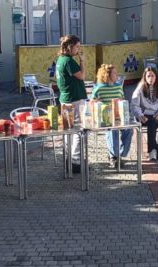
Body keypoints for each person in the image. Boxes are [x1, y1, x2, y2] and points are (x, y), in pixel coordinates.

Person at [55, 35, 87, 173]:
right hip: (74, 99)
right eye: (77, 46)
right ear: (69, 46)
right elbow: (82, 76)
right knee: (78, 130)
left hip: (65, 98)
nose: (78, 49)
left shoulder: (61, 60)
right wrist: (82, 61)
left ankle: (69, 160)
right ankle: (75, 162)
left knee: (68, 130)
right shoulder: (69, 61)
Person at [91, 64, 133, 168]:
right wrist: (97, 103)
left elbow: (122, 100)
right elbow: (92, 103)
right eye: (114, 73)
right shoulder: (99, 88)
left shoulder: (118, 87)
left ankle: (121, 154)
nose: (117, 75)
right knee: (112, 130)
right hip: (105, 118)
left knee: (129, 129)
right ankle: (114, 156)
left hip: (118, 117)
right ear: (107, 75)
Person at [131, 67, 158, 161]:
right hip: (143, 115)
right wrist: (140, 115)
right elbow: (134, 105)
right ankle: (152, 151)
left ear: (156, 77)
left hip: (156, 114)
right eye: (148, 76)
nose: (151, 78)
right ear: (145, 77)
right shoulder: (139, 89)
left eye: (152, 76)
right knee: (152, 123)